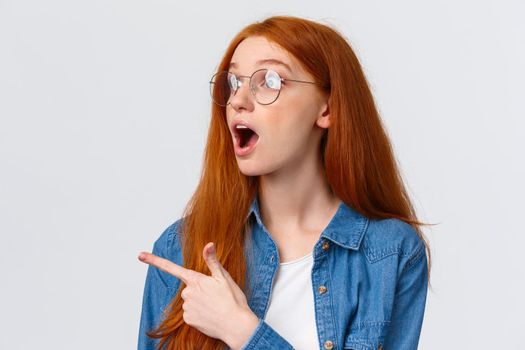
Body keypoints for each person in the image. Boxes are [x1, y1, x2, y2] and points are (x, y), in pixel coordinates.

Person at [137, 15, 431, 350]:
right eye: (233, 83)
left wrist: (242, 331)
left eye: (270, 81)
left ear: (327, 108)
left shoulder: (388, 252)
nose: (237, 101)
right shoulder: (180, 248)